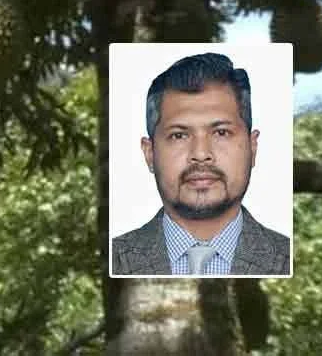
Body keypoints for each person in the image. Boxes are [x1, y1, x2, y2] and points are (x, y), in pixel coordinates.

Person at [112, 52, 290, 276]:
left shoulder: (289, 258)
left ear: (253, 147)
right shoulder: (114, 258)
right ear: (149, 153)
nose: (201, 154)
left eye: (221, 132)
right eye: (179, 135)